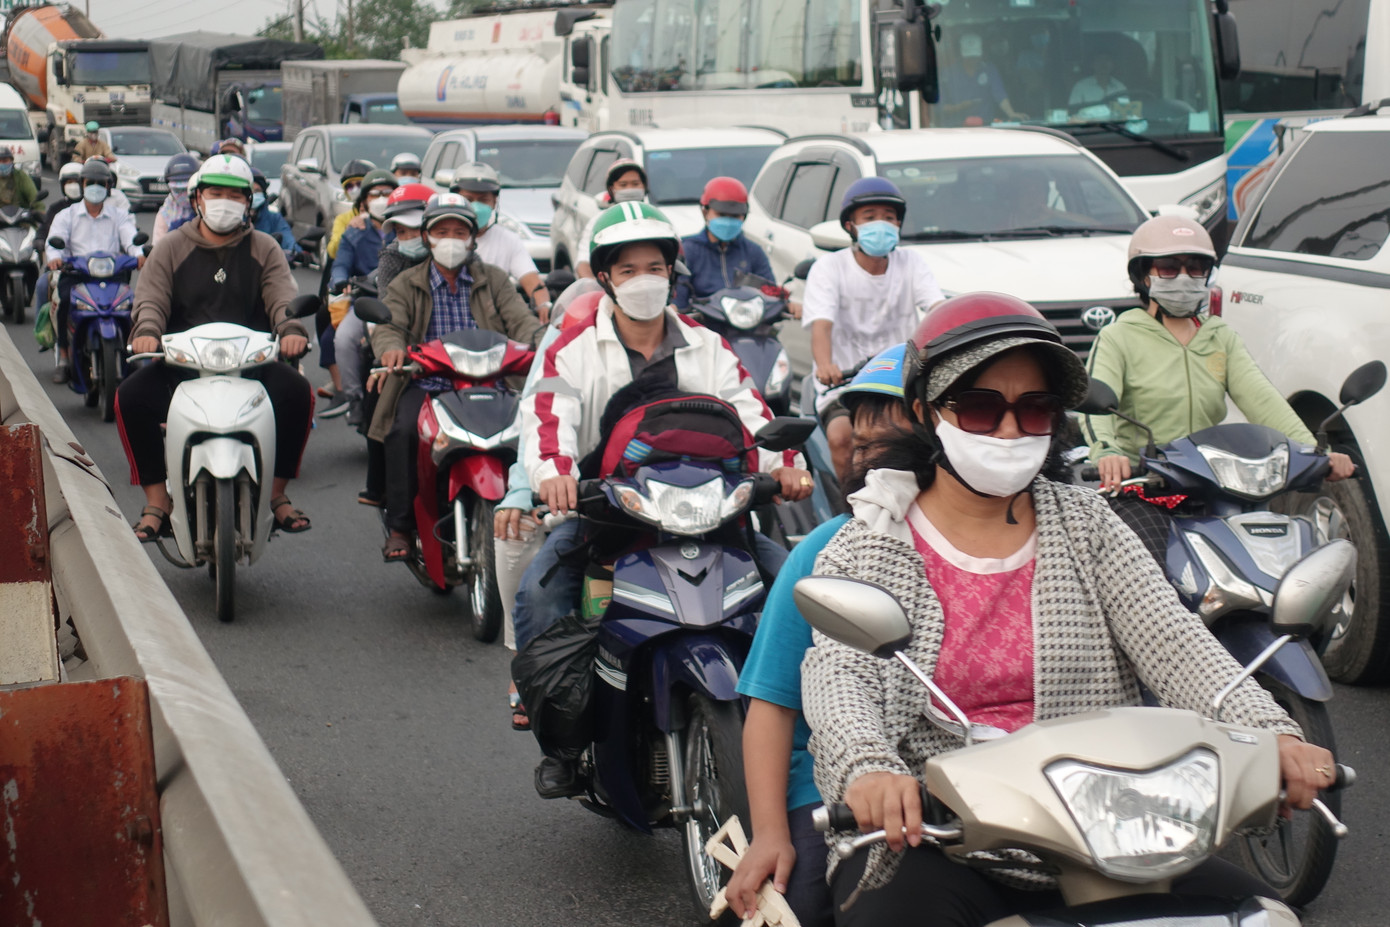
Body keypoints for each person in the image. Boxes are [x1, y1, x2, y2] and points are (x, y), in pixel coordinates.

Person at [799, 292, 1334, 927]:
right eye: (978, 407)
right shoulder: (871, 542)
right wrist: (869, 771)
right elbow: (842, 676)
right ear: (924, 411)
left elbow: (1174, 643)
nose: (1008, 430)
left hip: (1114, 822)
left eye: (1035, 409)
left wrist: (1272, 730)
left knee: (1254, 916)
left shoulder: (1088, 525)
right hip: (939, 838)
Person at [514, 202, 813, 798]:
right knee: (538, 597)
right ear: (604, 277)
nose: (643, 279)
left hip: (713, 519)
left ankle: (817, 733)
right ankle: (565, 743)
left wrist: (787, 468)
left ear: (673, 272)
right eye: (628, 270)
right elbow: (547, 421)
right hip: (611, 516)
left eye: (655, 265)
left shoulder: (709, 346)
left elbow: (753, 415)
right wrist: (555, 476)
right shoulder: (569, 349)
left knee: (803, 597)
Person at [726, 344, 911, 927]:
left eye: (889, 437)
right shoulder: (829, 548)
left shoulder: (1046, 531)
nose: (868, 457)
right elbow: (773, 702)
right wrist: (769, 835)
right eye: (861, 442)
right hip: (830, 789)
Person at [1084, 215, 1354, 562]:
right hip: (1144, 486)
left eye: (1195, 268)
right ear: (1144, 276)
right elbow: (1095, 403)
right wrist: (1108, 453)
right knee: (1145, 580)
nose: (1184, 277)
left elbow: (1263, 400)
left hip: (1218, 484)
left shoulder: (1220, 336)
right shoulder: (1118, 336)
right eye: (1168, 268)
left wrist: (1314, 454)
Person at [117, 155, 313, 540]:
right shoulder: (171, 247)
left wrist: (291, 329)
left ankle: (277, 494)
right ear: (197, 200)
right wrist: (147, 331)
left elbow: (281, 298)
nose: (225, 202)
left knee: (299, 393)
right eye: (215, 193)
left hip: (250, 365)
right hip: (181, 365)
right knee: (129, 398)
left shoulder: (265, 247)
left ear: (249, 202)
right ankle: (157, 501)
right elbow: (151, 300)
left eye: (235, 195)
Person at [370, 193, 546, 562]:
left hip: (492, 383)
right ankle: (400, 525)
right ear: (427, 236)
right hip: (428, 385)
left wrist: (543, 342)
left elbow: (523, 320)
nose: (451, 238)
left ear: (472, 238)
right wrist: (391, 348)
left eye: (459, 231)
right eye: (442, 230)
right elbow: (390, 325)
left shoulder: (495, 280)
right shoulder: (406, 282)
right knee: (402, 432)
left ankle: (541, 513)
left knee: (533, 430)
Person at [802, 177, 944, 486]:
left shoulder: (912, 262)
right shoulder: (828, 268)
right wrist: (826, 365)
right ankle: (852, 511)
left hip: (899, 379)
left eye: (889, 217)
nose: (881, 223)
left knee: (930, 434)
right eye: (870, 217)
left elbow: (936, 308)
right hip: (844, 384)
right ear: (851, 225)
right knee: (842, 438)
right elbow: (821, 325)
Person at [46, 158, 143, 384]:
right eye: (90, 182)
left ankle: (132, 350)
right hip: (76, 274)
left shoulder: (118, 215)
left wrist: (138, 254)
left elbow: (130, 236)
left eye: (101, 183)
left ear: (109, 187)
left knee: (131, 306)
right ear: (82, 184)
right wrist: (54, 259)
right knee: (64, 304)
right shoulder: (67, 215)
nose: (95, 187)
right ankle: (63, 356)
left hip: (112, 275)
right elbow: (53, 242)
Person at [324, 169, 398, 398]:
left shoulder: (407, 229)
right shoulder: (354, 232)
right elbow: (340, 264)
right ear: (365, 200)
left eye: (387, 193)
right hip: (365, 305)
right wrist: (340, 281)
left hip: (402, 303)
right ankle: (354, 398)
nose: (382, 199)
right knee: (343, 340)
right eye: (375, 194)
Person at [449, 162, 551, 319]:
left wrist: (544, 305)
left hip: (494, 321)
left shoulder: (508, 240)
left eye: (483, 200)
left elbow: (532, 282)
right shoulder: (442, 239)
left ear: (494, 203)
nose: (475, 206)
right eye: (468, 199)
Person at [672, 176, 775, 309]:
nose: (728, 221)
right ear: (705, 212)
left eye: (734, 216)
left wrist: (787, 304)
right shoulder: (688, 250)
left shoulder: (753, 252)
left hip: (746, 322)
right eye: (721, 214)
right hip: (701, 325)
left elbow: (772, 293)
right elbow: (678, 298)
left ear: (744, 216)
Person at [574, 158, 648, 279]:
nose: (629, 189)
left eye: (635, 184)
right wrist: (596, 290)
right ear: (611, 189)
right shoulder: (600, 221)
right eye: (623, 185)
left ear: (644, 186)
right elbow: (583, 264)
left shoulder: (655, 217)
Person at [938, 33, 1027, 126]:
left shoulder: (989, 69)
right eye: (969, 57)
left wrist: (1011, 113)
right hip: (956, 128)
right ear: (961, 54)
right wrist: (960, 107)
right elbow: (940, 107)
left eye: (975, 56)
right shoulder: (947, 74)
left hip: (986, 126)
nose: (972, 60)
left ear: (981, 54)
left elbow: (999, 93)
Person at [34, 161, 84, 324]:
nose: (73, 186)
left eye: (76, 182)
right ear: (62, 185)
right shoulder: (57, 209)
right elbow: (44, 229)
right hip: (64, 266)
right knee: (43, 284)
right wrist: (40, 240)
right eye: (69, 182)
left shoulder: (96, 208)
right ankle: (43, 327)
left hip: (92, 267)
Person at [326, 159, 375, 259]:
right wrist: (348, 231)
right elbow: (333, 252)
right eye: (349, 186)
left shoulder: (385, 214)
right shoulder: (343, 219)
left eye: (359, 184)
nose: (355, 190)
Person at [152, 153, 201, 245]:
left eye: (186, 189)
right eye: (178, 190)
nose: (183, 194)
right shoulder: (165, 214)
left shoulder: (205, 208)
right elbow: (158, 248)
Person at [250, 168, 298, 257]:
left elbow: (287, 239)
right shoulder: (235, 219)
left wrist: (297, 252)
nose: (253, 195)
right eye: (250, 191)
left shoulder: (274, 218)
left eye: (257, 191)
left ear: (264, 194)